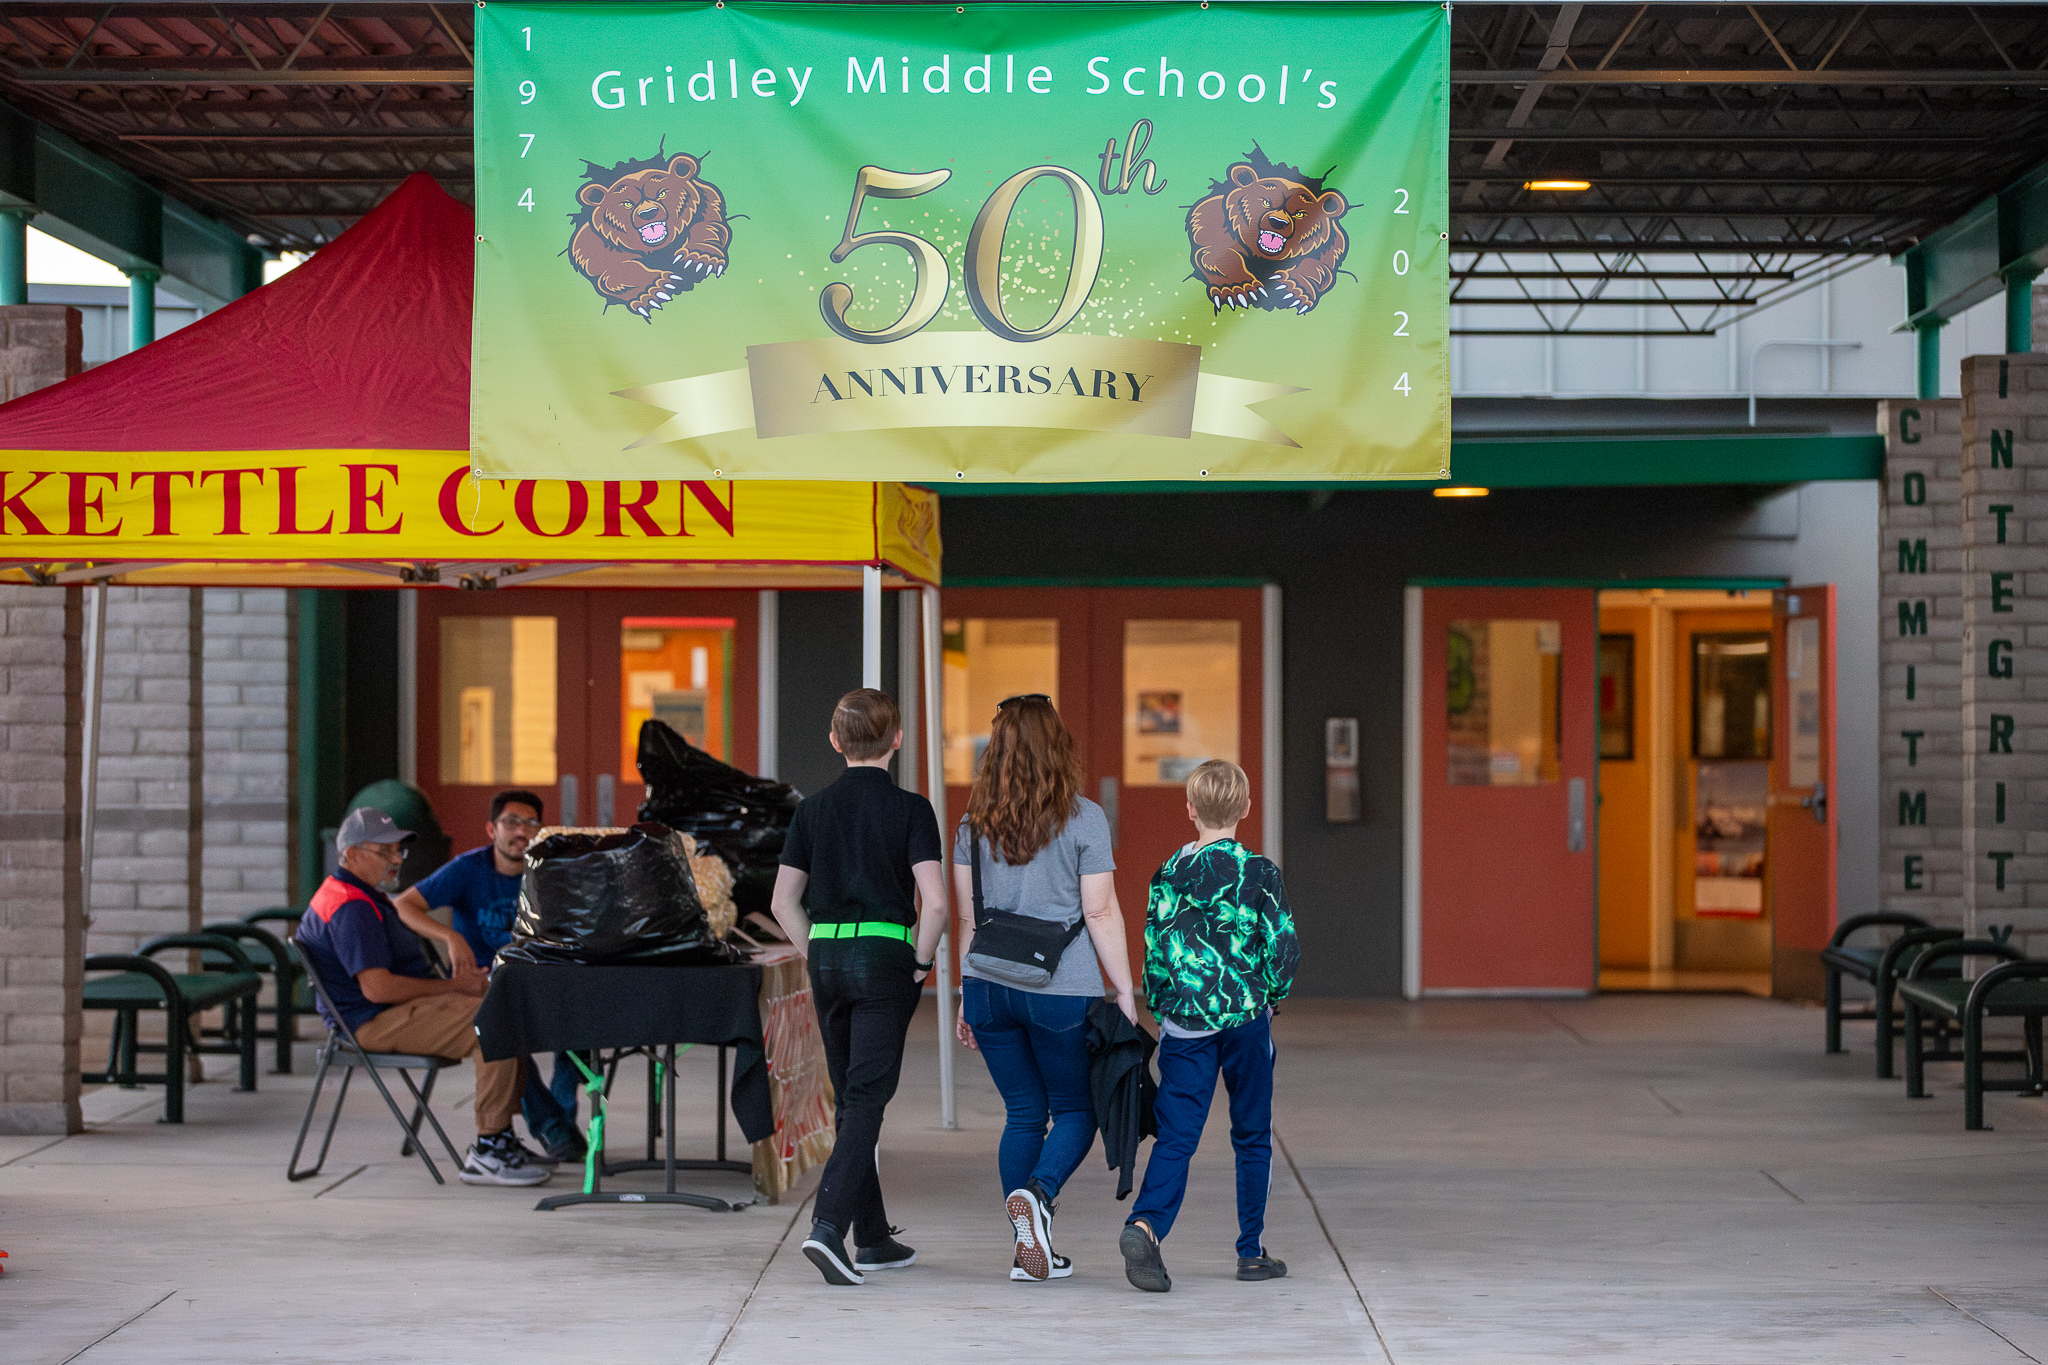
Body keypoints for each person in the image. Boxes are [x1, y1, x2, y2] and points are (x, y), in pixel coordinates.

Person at [951, 693, 1136, 1284]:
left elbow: (966, 919)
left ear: (995, 753)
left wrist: (964, 995)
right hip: (1062, 988)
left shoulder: (970, 824)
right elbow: (1101, 912)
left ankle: (1027, 1250)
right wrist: (1125, 991)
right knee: (1079, 1110)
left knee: (1024, 1113)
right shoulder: (1083, 818)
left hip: (988, 986)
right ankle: (1039, 1194)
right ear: (1059, 749)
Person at [770, 689, 948, 1286]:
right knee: (867, 1097)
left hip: (828, 955)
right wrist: (919, 964)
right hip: (884, 954)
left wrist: (818, 949)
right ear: (897, 739)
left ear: (834, 740)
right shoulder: (911, 809)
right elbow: (938, 903)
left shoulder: (811, 810)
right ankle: (828, 1228)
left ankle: (871, 1237)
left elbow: (782, 902)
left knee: (852, 1096)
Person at [293, 807, 554, 1187]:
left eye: (399, 850)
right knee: (496, 1021)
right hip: (371, 1021)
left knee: (503, 1007)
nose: (397, 859)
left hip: (391, 1010)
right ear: (350, 855)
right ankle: (490, 1149)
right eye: (385, 851)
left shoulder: (358, 894)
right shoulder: (351, 907)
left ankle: (502, 1139)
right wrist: (455, 987)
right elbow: (377, 988)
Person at [1120, 760, 1299, 1293]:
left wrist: (1163, 1005)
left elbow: (1153, 952)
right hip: (1246, 1019)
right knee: (1252, 1133)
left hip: (1186, 1025)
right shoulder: (1260, 873)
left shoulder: (1169, 872)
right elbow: (1283, 949)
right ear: (1245, 808)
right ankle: (1251, 1251)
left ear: (1191, 810)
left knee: (1177, 1135)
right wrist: (1270, 998)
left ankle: (1146, 1226)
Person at [395, 789, 586, 1163]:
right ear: (491, 829)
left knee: (583, 1017)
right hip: (482, 983)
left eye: (531, 823)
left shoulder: (550, 872)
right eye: (511, 822)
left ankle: (561, 1114)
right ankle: (552, 1126)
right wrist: (449, 936)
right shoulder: (468, 869)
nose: (521, 831)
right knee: (502, 1026)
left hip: (538, 979)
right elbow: (404, 906)